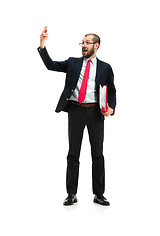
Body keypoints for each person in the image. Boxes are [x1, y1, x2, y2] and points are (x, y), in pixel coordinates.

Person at [37, 27, 116, 206]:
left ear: (96, 46)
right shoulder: (72, 63)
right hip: (75, 110)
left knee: (98, 154)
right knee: (73, 153)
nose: (83, 45)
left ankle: (99, 194)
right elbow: (51, 65)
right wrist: (42, 45)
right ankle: (71, 193)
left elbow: (112, 91)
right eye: (82, 42)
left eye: (87, 43)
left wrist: (111, 108)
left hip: (96, 113)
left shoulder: (105, 67)